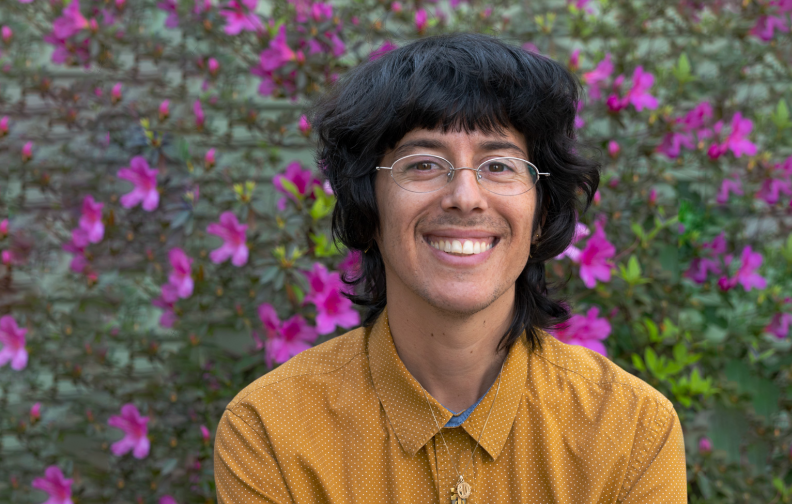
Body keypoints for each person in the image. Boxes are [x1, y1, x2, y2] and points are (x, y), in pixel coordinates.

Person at [214, 33, 686, 503]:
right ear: (368, 207)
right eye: (422, 164)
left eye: (499, 165)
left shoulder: (631, 430)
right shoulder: (271, 428)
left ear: (542, 214)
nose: (465, 197)